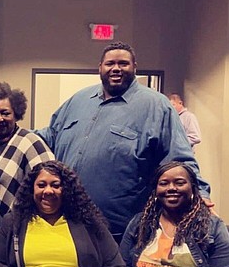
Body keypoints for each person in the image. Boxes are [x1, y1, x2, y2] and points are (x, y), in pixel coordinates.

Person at [36, 42, 210, 242]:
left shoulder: (156, 105)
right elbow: (49, 135)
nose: (116, 68)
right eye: (110, 63)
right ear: (99, 67)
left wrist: (201, 194)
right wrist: (15, 134)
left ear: (134, 68)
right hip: (67, 224)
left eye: (123, 63)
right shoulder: (78, 100)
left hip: (122, 232)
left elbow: (179, 159)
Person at [0, 160, 125, 267]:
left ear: (67, 190)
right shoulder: (13, 222)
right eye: (41, 185)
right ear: (31, 190)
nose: (48, 191)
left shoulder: (88, 222)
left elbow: (115, 266)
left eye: (55, 185)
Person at [120, 162, 229, 267]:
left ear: (193, 188)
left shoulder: (212, 225)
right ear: (155, 190)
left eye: (179, 183)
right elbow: (123, 266)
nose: (171, 188)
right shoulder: (140, 223)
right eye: (164, 183)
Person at [0, 82, 54, 231]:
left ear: (16, 114)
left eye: (5, 113)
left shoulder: (30, 142)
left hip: (17, 229)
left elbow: (49, 186)